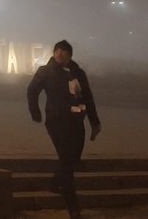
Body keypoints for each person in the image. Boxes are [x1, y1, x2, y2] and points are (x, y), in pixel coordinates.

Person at [27, 40, 101, 218]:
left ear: (70, 55)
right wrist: (35, 112)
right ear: (54, 53)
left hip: (76, 122)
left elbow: (88, 98)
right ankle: (73, 207)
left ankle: (54, 183)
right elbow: (32, 90)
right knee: (67, 162)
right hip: (56, 122)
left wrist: (94, 122)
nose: (60, 53)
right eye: (57, 50)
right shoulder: (45, 72)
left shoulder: (78, 73)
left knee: (73, 159)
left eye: (64, 51)